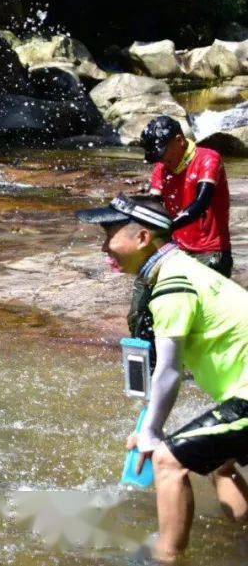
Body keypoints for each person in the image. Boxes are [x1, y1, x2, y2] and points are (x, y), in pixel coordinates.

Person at [76, 194, 248, 561]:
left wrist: (151, 433)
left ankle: (164, 557)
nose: (103, 245)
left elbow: (169, 372)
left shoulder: (172, 284)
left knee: (169, 459)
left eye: (109, 233)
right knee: (219, 461)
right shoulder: (180, 271)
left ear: (142, 238)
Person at [142, 116, 232, 277]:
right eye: (157, 157)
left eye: (162, 154)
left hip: (211, 251)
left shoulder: (208, 158)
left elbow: (200, 204)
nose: (161, 160)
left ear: (179, 140)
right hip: (176, 250)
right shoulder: (162, 168)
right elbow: (152, 205)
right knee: (143, 282)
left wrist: (167, 227)